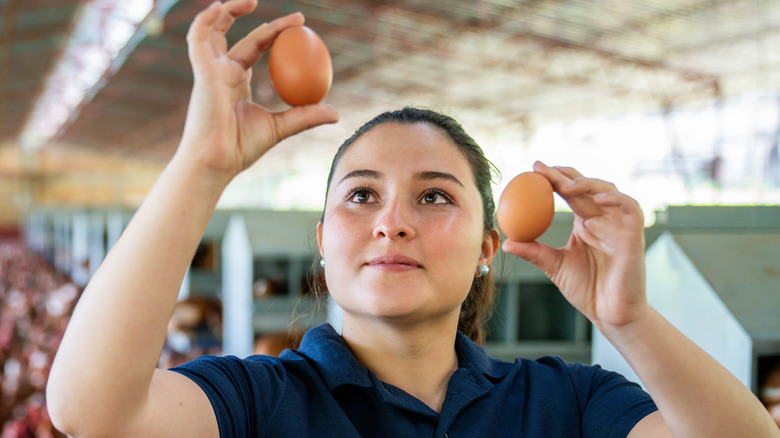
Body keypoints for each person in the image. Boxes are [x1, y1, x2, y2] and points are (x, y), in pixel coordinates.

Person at [45, 1, 779, 437]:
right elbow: (91, 413)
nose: (391, 221)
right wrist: (202, 165)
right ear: (324, 244)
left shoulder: (565, 403)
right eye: (361, 195)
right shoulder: (260, 400)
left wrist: (629, 319)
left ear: (491, 245)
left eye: (434, 196)